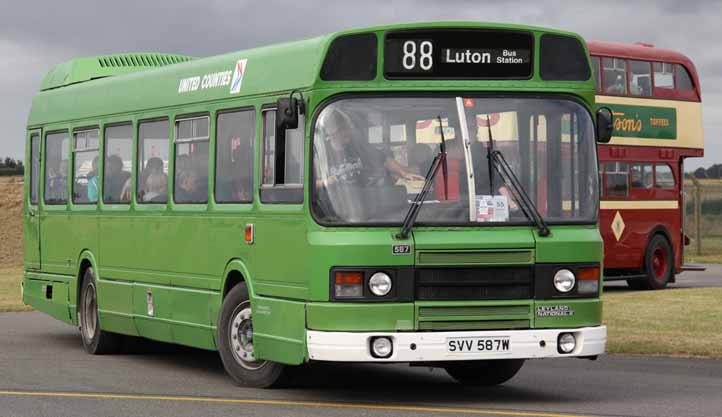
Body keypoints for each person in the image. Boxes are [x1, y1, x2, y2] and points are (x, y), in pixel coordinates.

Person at [315, 109, 423, 189]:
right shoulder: (319, 153)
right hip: (338, 206)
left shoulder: (358, 147)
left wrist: (404, 173)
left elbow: (384, 159)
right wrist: (327, 182)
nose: (348, 132)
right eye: (343, 130)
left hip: (364, 200)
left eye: (348, 128)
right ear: (332, 132)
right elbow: (308, 185)